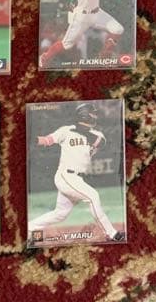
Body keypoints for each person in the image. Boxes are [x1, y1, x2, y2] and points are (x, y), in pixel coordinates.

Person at [28, 103, 125, 242]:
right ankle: (111, 233)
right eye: (92, 113)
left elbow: (99, 142)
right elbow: (47, 140)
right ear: (85, 115)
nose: (95, 116)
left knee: (60, 214)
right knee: (93, 196)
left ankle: (30, 227)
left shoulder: (97, 134)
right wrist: (32, 138)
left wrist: (79, 130)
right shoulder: (66, 130)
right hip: (66, 176)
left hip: (77, 179)